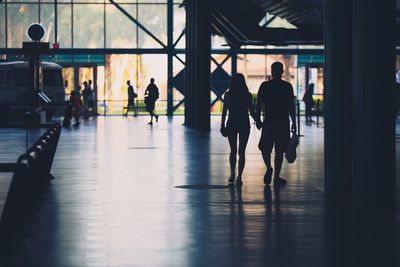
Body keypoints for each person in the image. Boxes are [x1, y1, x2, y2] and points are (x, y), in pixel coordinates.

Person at [256, 62, 296, 187]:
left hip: (269, 122)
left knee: (264, 148)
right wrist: (294, 121)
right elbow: (291, 106)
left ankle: (269, 167)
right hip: (283, 122)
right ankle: (277, 177)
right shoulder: (287, 87)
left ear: (272, 71)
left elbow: (258, 104)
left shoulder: (265, 86)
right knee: (279, 151)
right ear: (282, 72)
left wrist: (258, 119)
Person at [221, 73, 261, 186]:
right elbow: (251, 112)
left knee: (233, 150)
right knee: (241, 152)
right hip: (244, 124)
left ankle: (232, 173)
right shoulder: (247, 95)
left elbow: (224, 111)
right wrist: (258, 121)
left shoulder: (228, 95)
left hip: (232, 123)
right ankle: (239, 177)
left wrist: (222, 125)